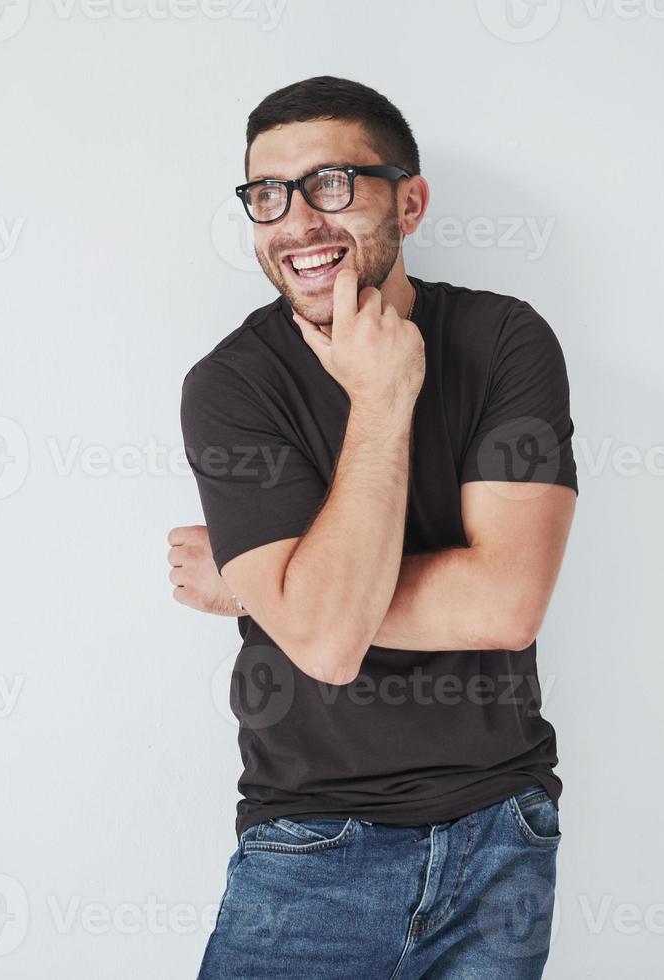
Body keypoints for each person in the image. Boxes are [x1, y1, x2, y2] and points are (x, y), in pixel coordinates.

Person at [169, 75, 579, 979]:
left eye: (332, 184)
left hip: (501, 834)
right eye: (268, 194)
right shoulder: (234, 386)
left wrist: (258, 588)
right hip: (313, 847)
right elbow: (323, 642)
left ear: (411, 200)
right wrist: (382, 400)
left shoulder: (507, 341)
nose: (298, 222)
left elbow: (508, 603)